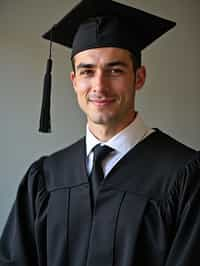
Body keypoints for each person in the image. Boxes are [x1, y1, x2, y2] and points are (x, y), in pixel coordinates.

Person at [0, 0, 200, 266]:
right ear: (74, 81)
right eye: (87, 71)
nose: (99, 86)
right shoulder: (46, 177)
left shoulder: (185, 176)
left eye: (115, 70)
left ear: (138, 77)